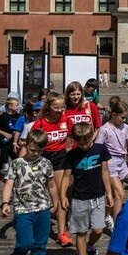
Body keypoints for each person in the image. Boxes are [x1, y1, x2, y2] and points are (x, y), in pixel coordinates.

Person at [1, 129, 57, 255]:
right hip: (23, 210)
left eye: (40, 150)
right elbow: (8, 186)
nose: (36, 153)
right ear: (25, 144)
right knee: (25, 243)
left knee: (40, 244)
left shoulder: (46, 163)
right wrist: (5, 203)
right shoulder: (16, 164)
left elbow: (51, 185)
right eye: (33, 150)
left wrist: (56, 202)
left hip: (42, 208)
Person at [61, 122, 113, 255]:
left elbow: (105, 171)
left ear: (93, 136)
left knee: (98, 230)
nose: (83, 146)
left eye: (86, 142)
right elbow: (66, 177)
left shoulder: (100, 149)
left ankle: (91, 246)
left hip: (98, 196)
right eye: (80, 143)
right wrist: (62, 195)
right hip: (79, 199)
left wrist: (109, 192)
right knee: (81, 232)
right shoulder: (72, 155)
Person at [31, 92, 72, 246]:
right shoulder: (40, 123)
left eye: (63, 107)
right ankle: (37, 223)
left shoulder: (65, 119)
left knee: (62, 194)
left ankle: (62, 232)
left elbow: (69, 138)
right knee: (42, 193)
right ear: (48, 107)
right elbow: (32, 142)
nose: (60, 110)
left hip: (60, 157)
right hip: (43, 157)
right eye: (57, 108)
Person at [95, 100, 128, 228]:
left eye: (126, 117)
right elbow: (99, 147)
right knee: (120, 193)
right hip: (110, 162)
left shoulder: (125, 127)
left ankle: (107, 216)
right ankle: (117, 225)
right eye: (122, 117)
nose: (124, 120)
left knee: (117, 195)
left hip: (121, 160)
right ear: (114, 114)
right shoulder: (105, 129)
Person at [0, 95, 20, 184]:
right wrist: (4, 134)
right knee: (1, 158)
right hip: (3, 141)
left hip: (13, 142)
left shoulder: (19, 116)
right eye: (16, 105)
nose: (18, 107)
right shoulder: (3, 116)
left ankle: (17, 174)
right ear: (10, 106)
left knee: (16, 158)